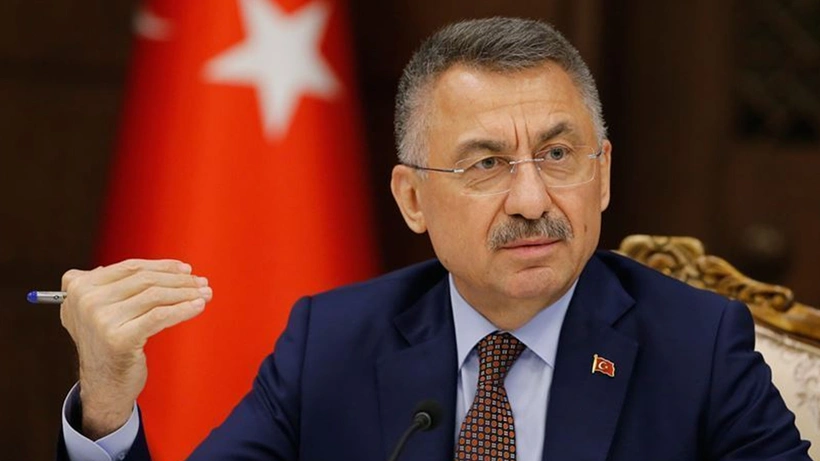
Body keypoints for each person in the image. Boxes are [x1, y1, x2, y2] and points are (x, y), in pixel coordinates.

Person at [57, 17, 811, 461]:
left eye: (557, 155)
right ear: (412, 198)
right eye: (486, 164)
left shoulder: (698, 346)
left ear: (603, 174)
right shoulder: (332, 343)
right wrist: (108, 408)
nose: (531, 200)